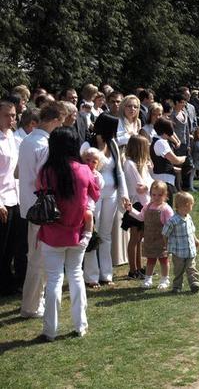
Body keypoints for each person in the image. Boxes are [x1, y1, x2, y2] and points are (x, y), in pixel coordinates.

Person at [37, 127, 100, 341]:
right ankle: (80, 325)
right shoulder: (84, 170)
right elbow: (95, 194)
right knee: (76, 276)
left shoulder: (46, 171)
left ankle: (50, 330)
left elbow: (39, 191)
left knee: (54, 281)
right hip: (78, 232)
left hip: (52, 233)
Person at [19, 101, 67, 318]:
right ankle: (31, 305)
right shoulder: (44, 145)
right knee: (39, 259)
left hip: (30, 205)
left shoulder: (27, 140)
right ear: (55, 120)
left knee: (37, 257)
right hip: (42, 208)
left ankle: (34, 301)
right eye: (61, 122)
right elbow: (45, 178)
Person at [81, 113, 130, 287]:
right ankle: (91, 276)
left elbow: (119, 171)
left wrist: (124, 194)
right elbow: (82, 170)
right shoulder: (88, 145)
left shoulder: (112, 144)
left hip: (112, 194)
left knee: (106, 234)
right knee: (92, 233)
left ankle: (106, 274)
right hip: (93, 196)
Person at [124, 181, 174, 290]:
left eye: (160, 195)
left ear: (165, 195)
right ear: (150, 194)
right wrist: (131, 210)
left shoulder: (166, 209)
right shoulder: (148, 206)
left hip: (162, 240)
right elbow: (141, 217)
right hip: (149, 239)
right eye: (154, 195)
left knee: (163, 260)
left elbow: (171, 224)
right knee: (150, 260)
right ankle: (148, 279)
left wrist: (171, 237)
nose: (156, 197)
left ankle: (165, 279)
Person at [122, 135, 153, 279]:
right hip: (136, 203)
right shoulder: (129, 164)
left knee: (140, 237)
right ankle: (132, 270)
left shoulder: (142, 164)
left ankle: (139, 267)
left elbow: (150, 182)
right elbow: (139, 185)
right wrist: (148, 187)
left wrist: (148, 187)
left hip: (144, 202)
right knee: (134, 237)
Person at [163, 191, 199, 293]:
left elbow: (191, 231)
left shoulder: (188, 217)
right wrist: (166, 246)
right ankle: (177, 286)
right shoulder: (173, 221)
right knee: (178, 270)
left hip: (190, 250)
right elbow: (165, 233)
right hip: (178, 252)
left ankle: (194, 283)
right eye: (191, 204)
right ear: (185, 205)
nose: (192, 206)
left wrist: (196, 240)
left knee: (191, 267)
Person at [0, 101, 20, 296]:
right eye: (6, 115)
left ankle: (7, 282)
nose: (11, 119)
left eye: (13, 115)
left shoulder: (12, 136)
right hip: (1, 199)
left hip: (13, 196)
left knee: (11, 244)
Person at [150, 118, 186, 199]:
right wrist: (185, 158)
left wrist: (172, 167)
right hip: (164, 180)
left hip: (161, 178)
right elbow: (175, 160)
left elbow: (163, 160)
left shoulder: (156, 140)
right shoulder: (161, 142)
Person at [170, 92, 193, 191]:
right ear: (176, 102)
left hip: (184, 144)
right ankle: (177, 187)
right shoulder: (172, 115)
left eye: (184, 102)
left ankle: (185, 186)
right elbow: (170, 131)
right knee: (177, 166)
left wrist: (188, 144)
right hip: (175, 144)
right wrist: (175, 142)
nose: (184, 104)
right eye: (182, 102)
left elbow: (187, 130)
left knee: (188, 165)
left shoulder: (184, 113)